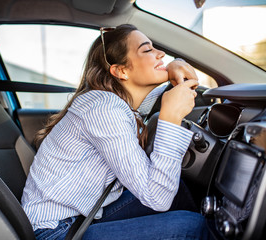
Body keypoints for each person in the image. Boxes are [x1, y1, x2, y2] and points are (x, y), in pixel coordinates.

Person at [21, 24, 210, 239]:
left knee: (178, 191)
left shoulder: (116, 102)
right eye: (147, 50)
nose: (161, 53)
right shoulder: (104, 109)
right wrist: (170, 118)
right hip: (57, 232)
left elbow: (147, 103)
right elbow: (157, 197)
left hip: (81, 215)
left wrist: (176, 65)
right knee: (191, 226)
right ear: (120, 71)